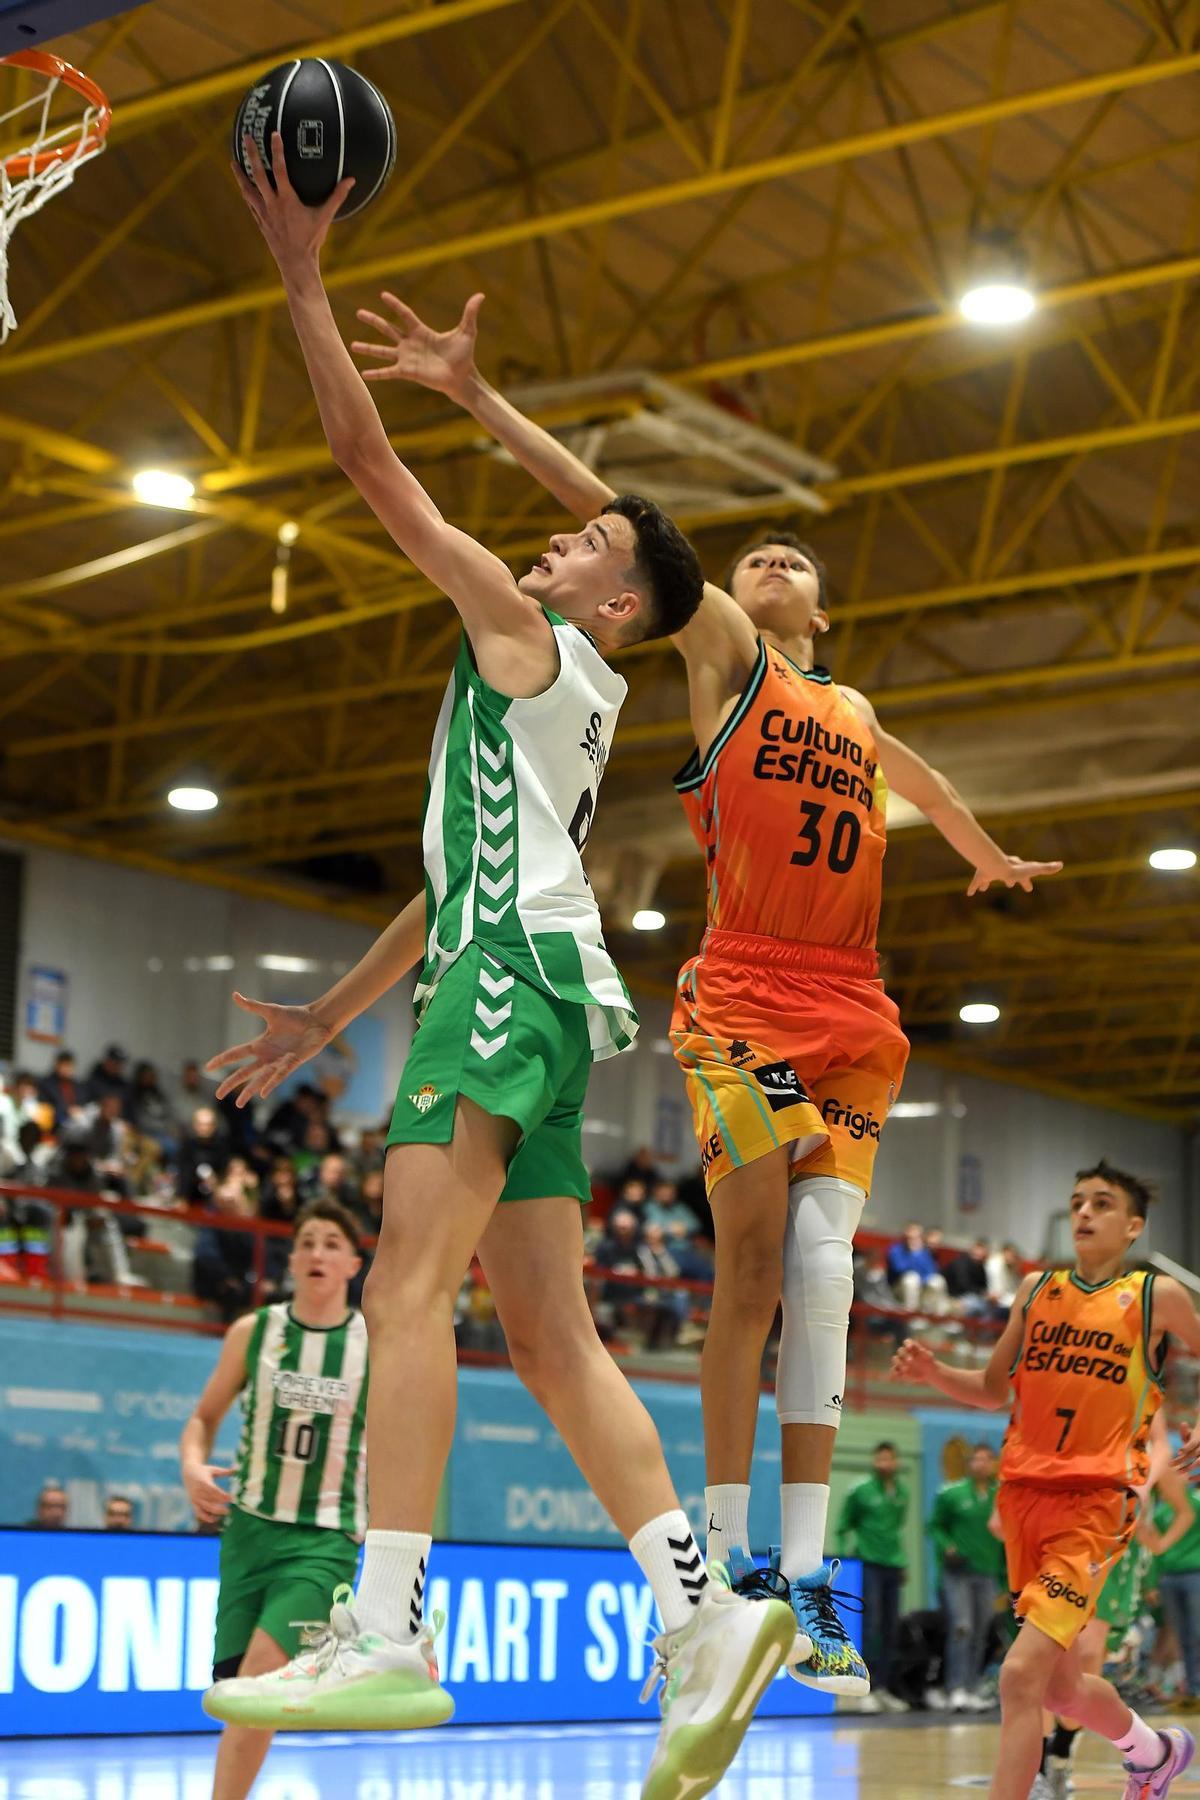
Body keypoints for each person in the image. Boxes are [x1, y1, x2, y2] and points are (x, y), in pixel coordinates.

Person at [199, 140, 794, 1800]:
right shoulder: (582, 683)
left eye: (583, 536)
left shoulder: (529, 643)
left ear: (611, 599)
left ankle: (385, 1624)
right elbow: (459, 879)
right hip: (537, 982)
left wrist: (308, 287)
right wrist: (332, 1006)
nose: (552, 537)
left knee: (405, 1293)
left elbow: (360, 459)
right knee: (551, 1339)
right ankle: (699, 1612)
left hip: (503, 990)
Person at [364, 288, 1063, 1694]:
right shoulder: (720, 655)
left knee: (821, 1275)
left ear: (824, 603)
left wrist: (981, 850)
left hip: (854, 999)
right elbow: (620, 518)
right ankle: (736, 1558)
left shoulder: (852, 714)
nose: (768, 561)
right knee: (751, 1267)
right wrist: (478, 403)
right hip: (748, 986)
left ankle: (802, 1589)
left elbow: (912, 779)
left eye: (790, 553)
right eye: (748, 556)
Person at [892, 1159, 1200, 1800]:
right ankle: (1154, 1752)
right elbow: (988, 1388)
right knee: (1059, 1687)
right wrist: (934, 1373)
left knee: (1018, 1677)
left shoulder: (1155, 1297)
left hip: (1094, 1506)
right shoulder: (1035, 1290)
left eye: (1102, 1204)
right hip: (1024, 1497)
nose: (1085, 1213)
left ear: (1134, 1226)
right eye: (1078, 1201)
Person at [180, 1200, 369, 1800]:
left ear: (353, 1263)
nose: (317, 1252)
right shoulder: (254, 1331)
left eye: (332, 1243)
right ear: (290, 1260)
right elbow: (202, 1419)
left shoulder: (377, 1342)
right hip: (249, 1534)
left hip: (324, 1541)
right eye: (307, 1241)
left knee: (261, 1678)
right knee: (236, 1692)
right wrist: (191, 1468)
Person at [1035, 1410, 1191, 1799]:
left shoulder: (1146, 1450)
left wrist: (1158, 1542)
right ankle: (1042, 1766)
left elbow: (1185, 1511)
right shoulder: (1082, 1434)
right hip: (1068, 1544)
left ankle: (1061, 1754)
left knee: (1085, 1657)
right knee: (1045, 1665)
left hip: (1115, 1563)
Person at [929, 1442, 1004, 1710]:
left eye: (987, 1459)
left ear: (995, 1463)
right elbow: (934, 1527)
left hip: (988, 1572)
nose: (981, 1464)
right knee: (963, 1628)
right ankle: (956, 1687)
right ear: (969, 1463)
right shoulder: (952, 1494)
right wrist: (947, 1546)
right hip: (957, 1573)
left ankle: (973, 1687)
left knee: (981, 1631)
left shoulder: (1001, 1496)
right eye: (976, 1459)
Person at [836, 1442, 910, 1711]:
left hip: (893, 1565)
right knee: (870, 1626)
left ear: (896, 1462)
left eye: (889, 1458)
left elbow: (896, 1530)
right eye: (880, 1458)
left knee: (891, 1629)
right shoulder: (860, 1491)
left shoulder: (902, 1492)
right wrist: (850, 1561)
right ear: (873, 1461)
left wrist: (902, 1563)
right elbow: (844, 1526)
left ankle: (883, 1687)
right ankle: (861, 1688)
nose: (885, 1463)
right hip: (868, 1565)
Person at [887, 1222, 950, 1315]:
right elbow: (900, 1269)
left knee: (937, 1281)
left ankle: (935, 1315)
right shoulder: (896, 1250)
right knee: (912, 1278)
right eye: (911, 1235)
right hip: (898, 1288)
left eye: (917, 1236)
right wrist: (913, 1254)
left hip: (920, 1286)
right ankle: (910, 1314)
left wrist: (923, 1280)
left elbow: (931, 1271)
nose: (913, 1239)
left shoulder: (924, 1252)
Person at [945, 1238, 993, 1314]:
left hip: (973, 1296)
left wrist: (986, 1294)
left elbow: (983, 1285)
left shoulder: (980, 1266)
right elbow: (963, 1285)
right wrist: (981, 1293)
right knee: (980, 1306)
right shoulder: (961, 1263)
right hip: (956, 1296)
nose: (980, 1255)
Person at [38, 1049, 80, 1131]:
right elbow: (46, 1107)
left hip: (77, 1124)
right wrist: (67, 1110)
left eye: (69, 1065)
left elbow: (82, 1103)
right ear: (57, 1065)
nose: (67, 1069)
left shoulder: (78, 1085)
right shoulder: (46, 1084)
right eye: (64, 1065)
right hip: (56, 1125)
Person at [85, 1044, 130, 1109]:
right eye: (116, 1063)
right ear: (107, 1061)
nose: (118, 1067)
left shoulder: (123, 1085)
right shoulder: (93, 1082)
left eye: (121, 1063)